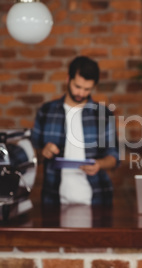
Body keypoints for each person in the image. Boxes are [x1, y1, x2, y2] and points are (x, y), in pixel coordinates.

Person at [31, 56, 119, 206]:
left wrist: (98, 164)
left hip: (97, 199)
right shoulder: (46, 111)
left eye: (87, 89)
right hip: (53, 199)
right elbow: (31, 156)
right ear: (68, 79)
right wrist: (42, 152)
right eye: (77, 87)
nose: (81, 93)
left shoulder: (103, 114)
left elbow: (114, 157)